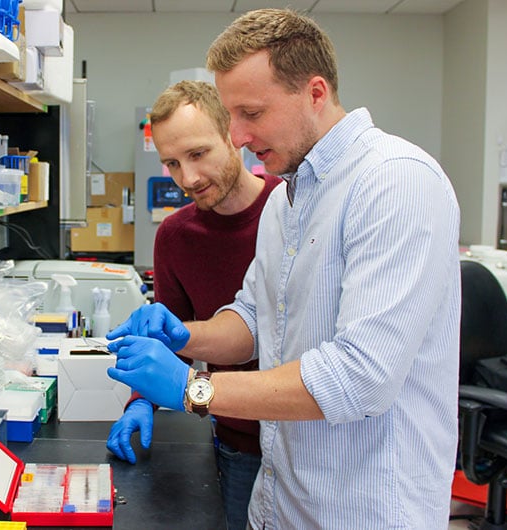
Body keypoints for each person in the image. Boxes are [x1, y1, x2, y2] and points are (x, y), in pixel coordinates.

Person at [105, 8, 461, 530]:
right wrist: (186, 335)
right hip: (282, 498)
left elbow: (360, 377)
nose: (241, 137)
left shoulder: (394, 182)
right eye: (233, 120)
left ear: (315, 92)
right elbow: (253, 320)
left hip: (363, 506)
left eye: (252, 113)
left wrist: (192, 388)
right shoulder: (288, 199)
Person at [106, 80, 281, 530]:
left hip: (310, 441)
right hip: (235, 438)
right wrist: (141, 400)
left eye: (198, 154)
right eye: (171, 163)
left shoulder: (290, 211)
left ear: (233, 135)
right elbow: (176, 342)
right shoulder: (176, 237)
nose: (188, 179)